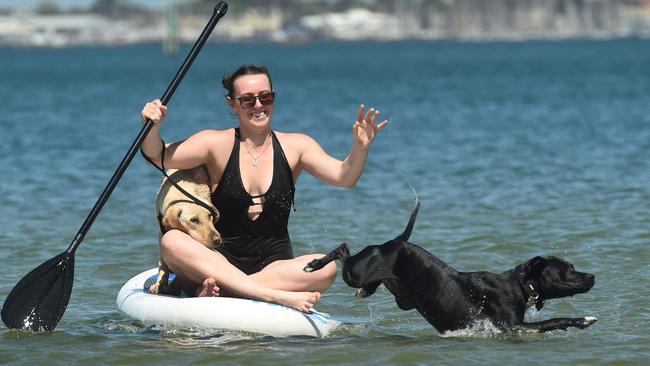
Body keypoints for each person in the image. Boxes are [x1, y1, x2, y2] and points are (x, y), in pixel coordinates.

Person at [140, 64, 387, 313]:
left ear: (273, 98)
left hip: (274, 269)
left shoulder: (297, 146)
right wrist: (152, 126)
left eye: (265, 97)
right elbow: (158, 155)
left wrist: (360, 148)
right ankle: (267, 295)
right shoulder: (216, 143)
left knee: (326, 266)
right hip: (217, 263)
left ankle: (226, 292)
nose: (258, 105)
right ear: (232, 104)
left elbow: (345, 177)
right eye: (247, 100)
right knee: (171, 241)